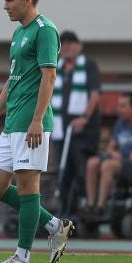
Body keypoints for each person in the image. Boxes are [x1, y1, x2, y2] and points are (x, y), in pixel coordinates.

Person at [0, 0, 73, 263]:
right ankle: (55, 225)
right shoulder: (19, 33)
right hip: (12, 123)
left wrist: (37, 120)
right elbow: (13, 80)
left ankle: (23, 256)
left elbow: (49, 77)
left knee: (28, 188)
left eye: (9, 0)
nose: (5, 6)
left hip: (32, 124)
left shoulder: (45, 31)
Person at [49, 31, 102, 216]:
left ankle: (83, 206)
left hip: (82, 132)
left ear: (79, 46)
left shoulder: (88, 66)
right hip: (61, 130)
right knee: (62, 171)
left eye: (72, 43)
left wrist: (85, 117)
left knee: (81, 169)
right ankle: (64, 209)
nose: (68, 47)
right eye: (63, 44)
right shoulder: (57, 68)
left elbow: (95, 94)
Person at [84, 92, 132, 218]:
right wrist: (114, 153)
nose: (119, 109)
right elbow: (110, 147)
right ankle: (91, 205)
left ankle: (101, 207)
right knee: (92, 162)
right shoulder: (120, 123)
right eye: (118, 106)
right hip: (120, 160)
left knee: (108, 165)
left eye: (123, 106)